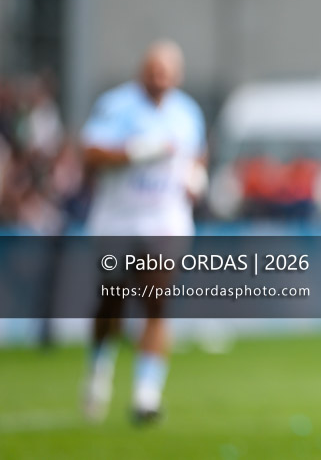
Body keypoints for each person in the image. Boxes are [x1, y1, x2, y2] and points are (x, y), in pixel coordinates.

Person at [80, 40, 207, 424]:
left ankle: (145, 394)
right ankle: (98, 371)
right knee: (113, 302)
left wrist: (196, 177)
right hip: (119, 219)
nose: (160, 79)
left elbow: (196, 153)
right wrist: (136, 152)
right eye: (154, 71)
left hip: (165, 219)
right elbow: (90, 153)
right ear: (142, 71)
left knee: (156, 301)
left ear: (177, 76)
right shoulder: (115, 106)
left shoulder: (187, 111)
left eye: (167, 72)